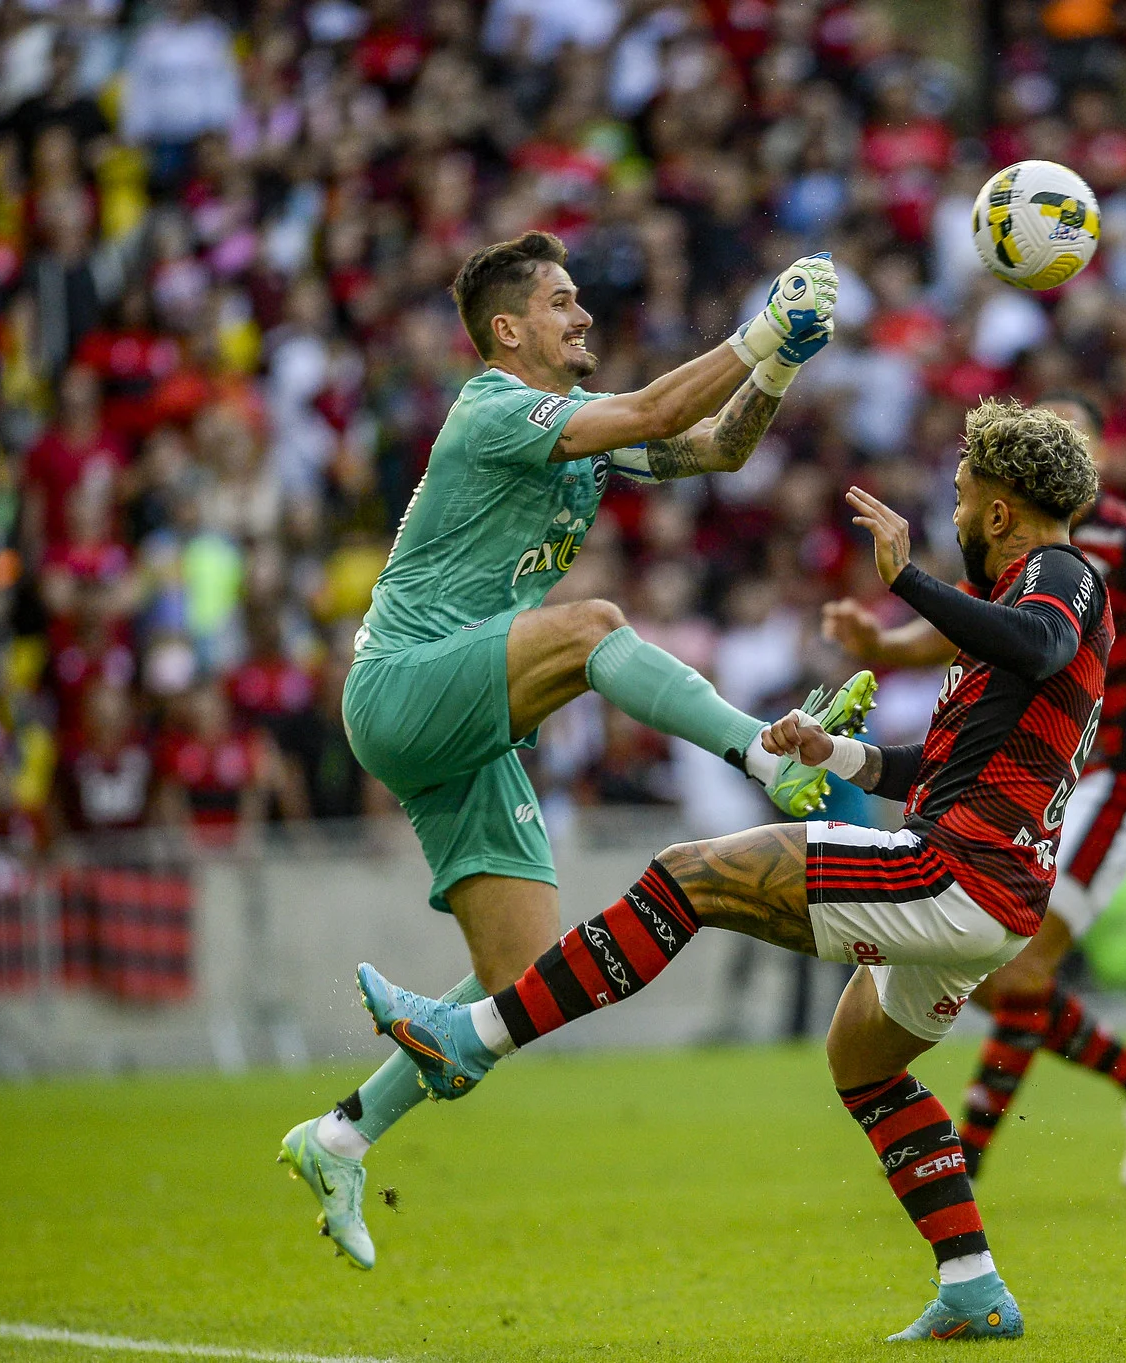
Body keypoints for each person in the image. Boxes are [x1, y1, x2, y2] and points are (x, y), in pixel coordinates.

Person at [354, 398, 1108, 1341]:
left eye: (961, 496)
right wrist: (832, 754)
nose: (953, 513)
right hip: (976, 879)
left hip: (962, 873)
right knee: (862, 1064)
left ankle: (471, 1038)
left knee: (690, 875)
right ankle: (972, 1285)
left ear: (998, 513)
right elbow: (933, 765)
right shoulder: (1010, 609)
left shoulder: (1059, 574)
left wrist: (905, 576)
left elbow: (1046, 642)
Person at [275, 231, 866, 1270]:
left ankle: (340, 1134)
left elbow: (716, 448)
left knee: (523, 977)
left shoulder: (571, 431)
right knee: (593, 623)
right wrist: (761, 323)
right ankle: (769, 759)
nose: (581, 315)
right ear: (509, 331)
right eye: (560, 303)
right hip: (407, 684)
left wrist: (778, 364)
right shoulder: (495, 407)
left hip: (458, 715)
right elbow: (652, 413)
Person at [824, 391, 1126, 1186]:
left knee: (1013, 971)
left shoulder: (1120, 542)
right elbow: (980, 629)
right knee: (995, 973)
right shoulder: (1014, 562)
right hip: (1034, 778)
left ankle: (975, 1149)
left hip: (1113, 779)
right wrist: (884, 641)